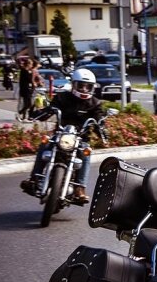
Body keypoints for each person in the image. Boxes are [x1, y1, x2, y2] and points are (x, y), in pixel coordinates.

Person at [19, 68, 103, 203]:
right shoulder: (62, 97)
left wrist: (102, 130)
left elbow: (99, 120)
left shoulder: (95, 103)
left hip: (81, 138)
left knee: (86, 153)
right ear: (74, 84)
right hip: (61, 134)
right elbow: (50, 109)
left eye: (88, 86)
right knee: (45, 144)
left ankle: (80, 188)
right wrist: (39, 113)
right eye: (81, 85)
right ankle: (34, 179)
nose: (84, 89)